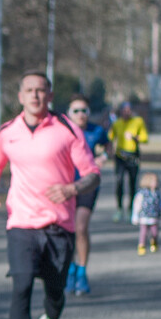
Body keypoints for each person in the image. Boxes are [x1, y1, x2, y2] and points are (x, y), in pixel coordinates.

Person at [0, 72, 100, 319]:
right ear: (20, 96)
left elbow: (92, 174)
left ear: (49, 96)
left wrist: (73, 187)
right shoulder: (8, 132)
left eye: (41, 91)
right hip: (21, 223)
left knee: (55, 293)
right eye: (29, 90)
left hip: (60, 226)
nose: (35, 96)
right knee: (21, 286)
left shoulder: (66, 129)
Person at [64, 95, 108, 294]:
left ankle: (82, 272)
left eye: (84, 111)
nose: (81, 114)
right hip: (64, 186)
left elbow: (108, 146)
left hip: (88, 185)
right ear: (68, 114)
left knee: (80, 227)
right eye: (76, 111)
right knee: (68, 230)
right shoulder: (61, 132)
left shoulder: (96, 131)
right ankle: (70, 270)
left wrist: (103, 157)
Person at [107, 101, 148, 222]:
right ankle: (119, 209)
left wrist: (135, 137)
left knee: (132, 183)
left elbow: (145, 138)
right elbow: (110, 137)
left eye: (129, 110)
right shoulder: (117, 123)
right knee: (119, 181)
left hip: (133, 156)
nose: (127, 112)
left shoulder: (138, 122)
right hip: (120, 156)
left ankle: (131, 209)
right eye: (124, 110)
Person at [131, 172, 161, 255]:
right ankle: (141, 246)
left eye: (156, 181)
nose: (156, 183)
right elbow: (137, 204)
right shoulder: (142, 193)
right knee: (143, 233)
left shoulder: (157, 193)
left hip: (154, 217)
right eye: (154, 181)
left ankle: (154, 241)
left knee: (155, 232)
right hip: (144, 217)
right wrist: (135, 215)